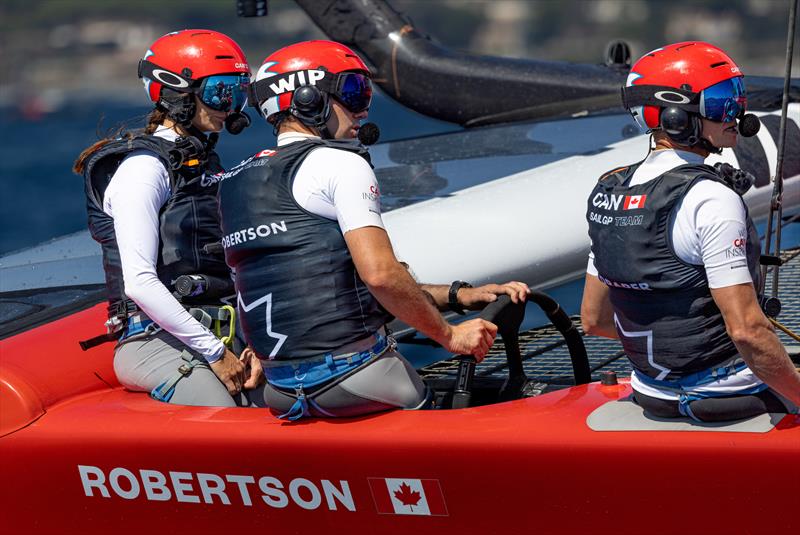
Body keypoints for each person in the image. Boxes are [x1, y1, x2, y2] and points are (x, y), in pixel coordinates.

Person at [217, 40, 529, 419]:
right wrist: (450, 335)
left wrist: (457, 295)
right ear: (307, 97)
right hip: (353, 376)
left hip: (280, 391)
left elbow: (312, 280)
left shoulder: (232, 182)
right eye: (352, 92)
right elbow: (380, 275)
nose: (363, 109)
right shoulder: (340, 164)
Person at [580, 41, 800, 422]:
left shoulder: (609, 191)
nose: (736, 114)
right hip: (727, 394)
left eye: (735, 99)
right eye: (720, 104)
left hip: (651, 394)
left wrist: (672, 346)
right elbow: (747, 332)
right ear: (675, 119)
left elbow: (593, 320)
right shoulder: (712, 199)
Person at [74, 29, 262, 407]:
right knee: (224, 413)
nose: (230, 106)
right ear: (176, 93)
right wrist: (215, 354)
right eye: (219, 92)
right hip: (152, 339)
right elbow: (140, 283)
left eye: (238, 92)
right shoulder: (143, 170)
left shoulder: (202, 164)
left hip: (217, 330)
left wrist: (255, 343)